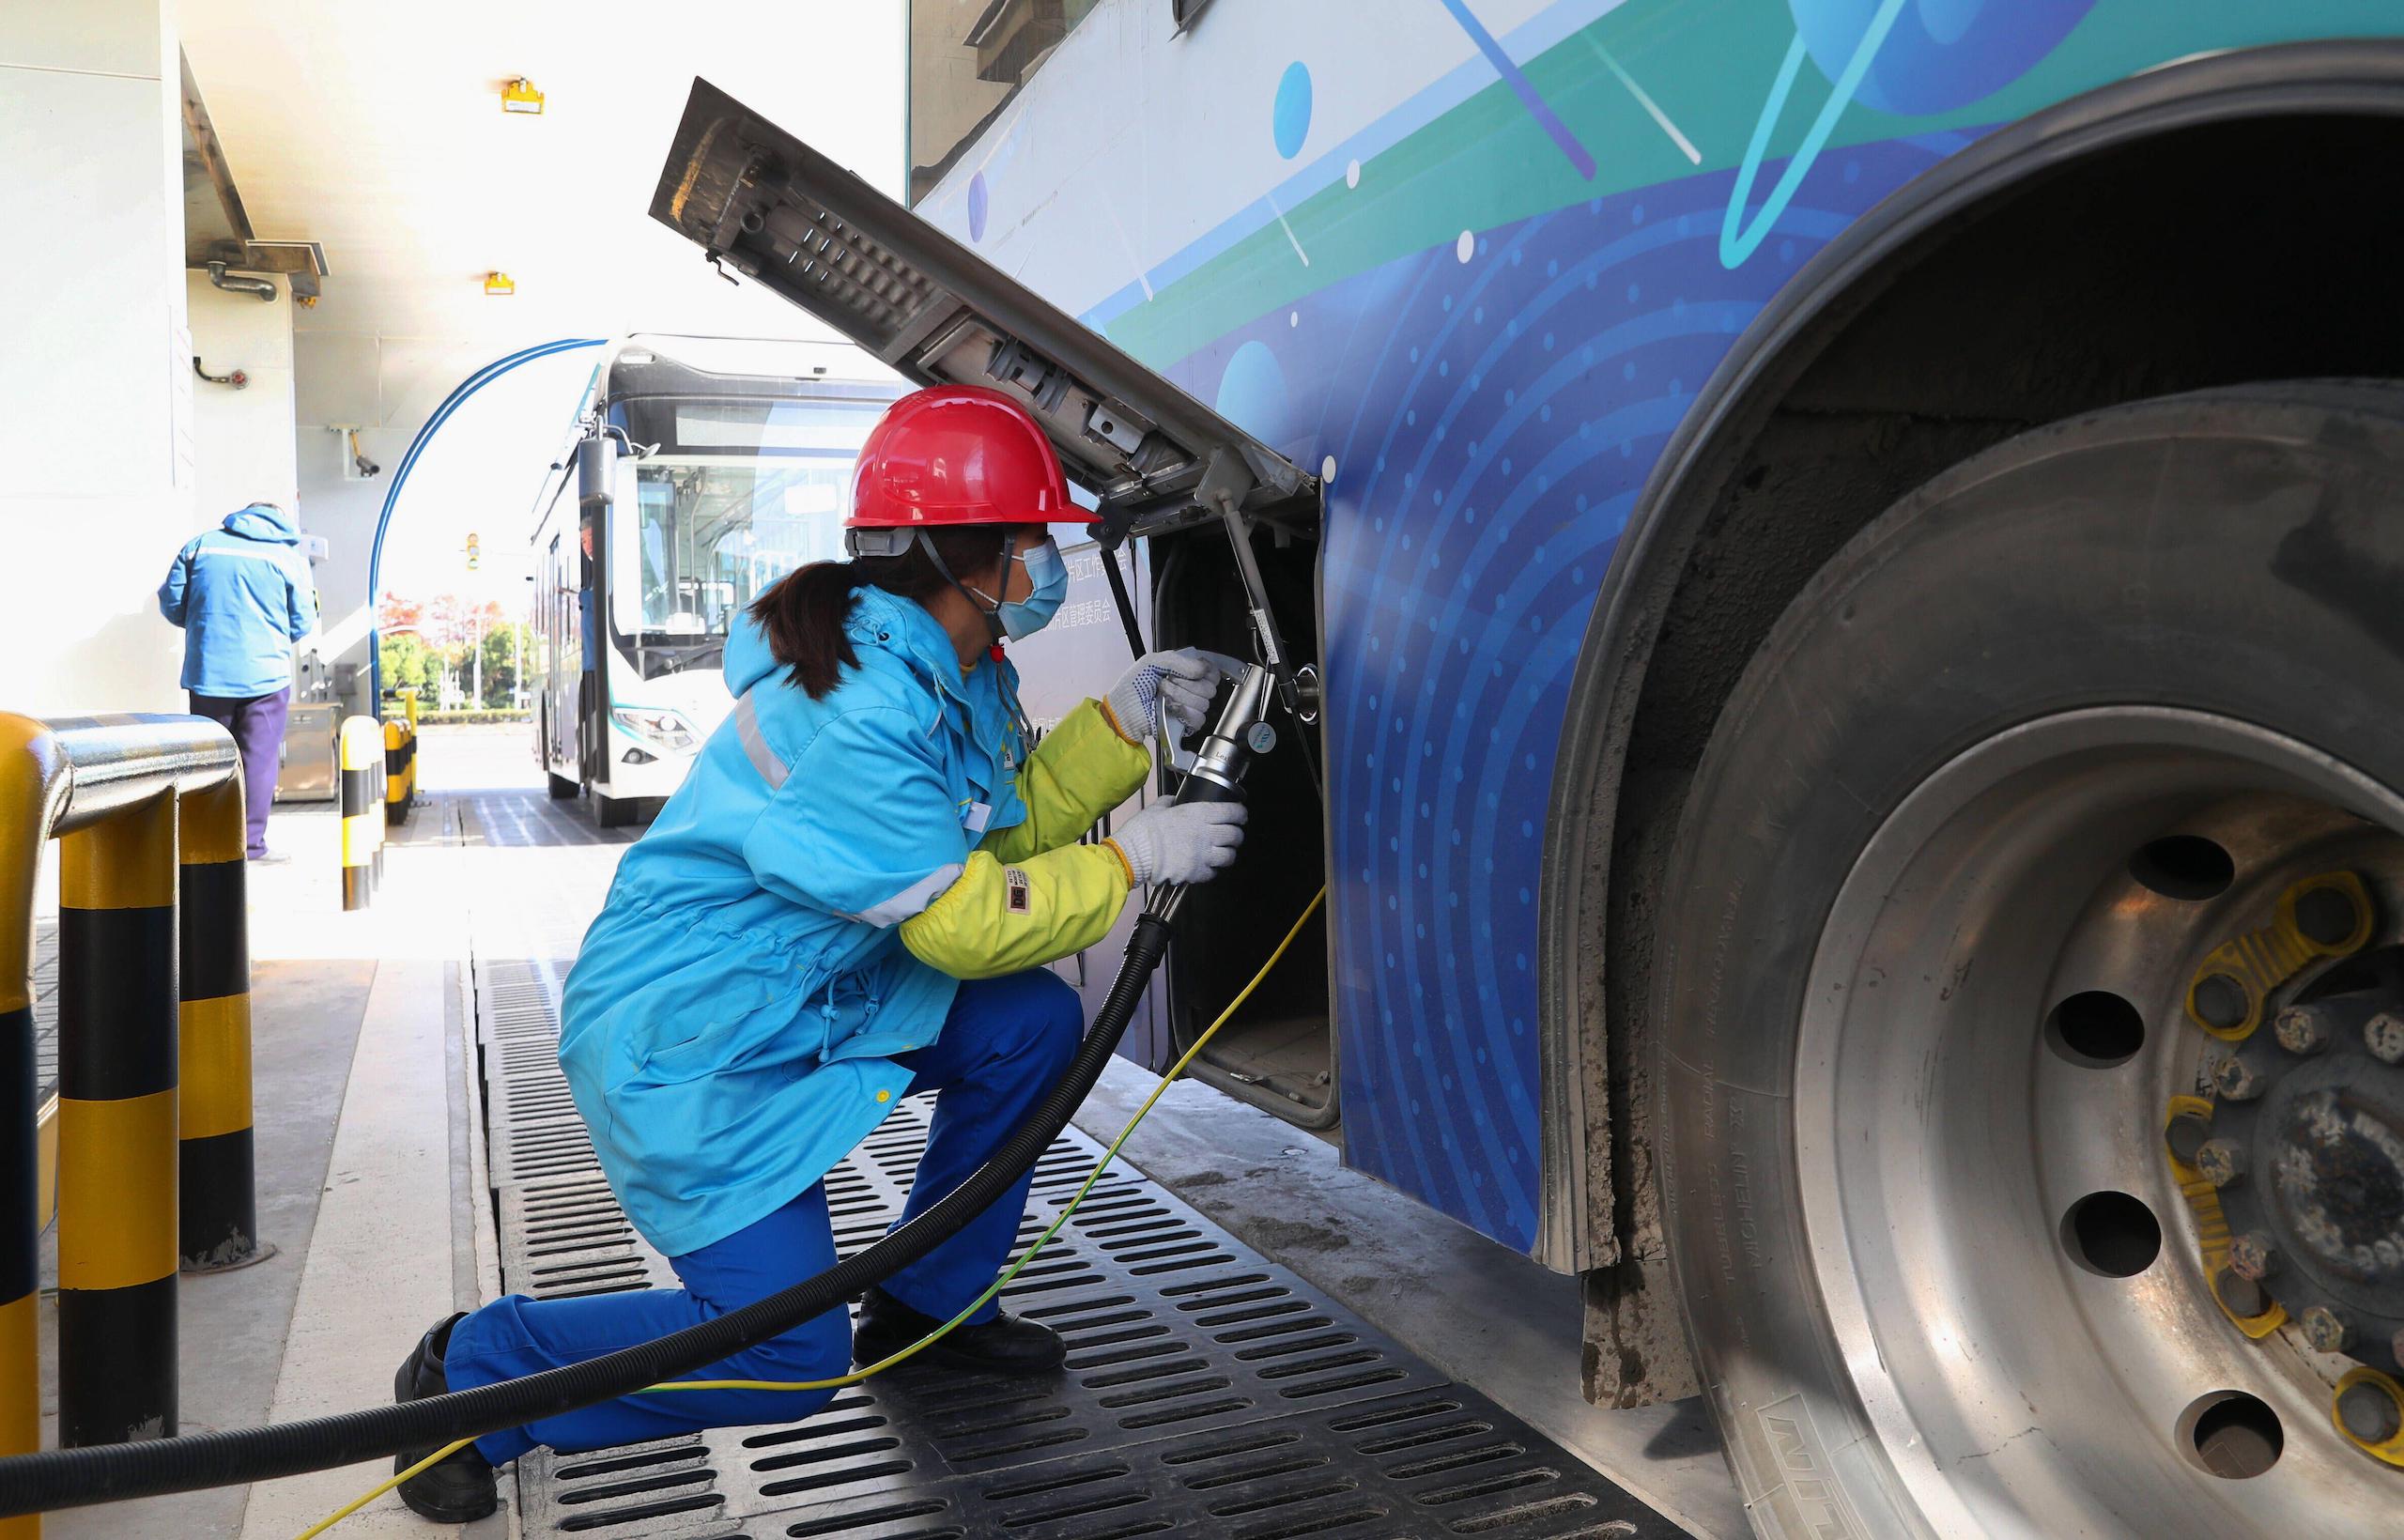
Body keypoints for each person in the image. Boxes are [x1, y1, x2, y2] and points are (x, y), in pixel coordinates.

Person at [389, 385, 1247, 1522]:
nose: (1045, 560)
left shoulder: (952, 669)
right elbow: (958, 920)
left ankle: (928, 1302)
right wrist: (1133, 861)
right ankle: (479, 1370)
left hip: (811, 997)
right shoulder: (862, 709)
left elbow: (987, 833)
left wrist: (1121, 723)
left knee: (1028, 1024)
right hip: (696, 1045)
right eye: (1031, 536)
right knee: (788, 1357)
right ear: (962, 552)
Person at [157, 500, 319, 862]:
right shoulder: (286, 556)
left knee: (210, 760)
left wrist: (205, 627)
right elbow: (302, 621)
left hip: (209, 671)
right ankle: (249, 845)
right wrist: (273, 637)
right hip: (267, 676)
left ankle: (204, 843)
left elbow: (172, 604)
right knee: (258, 760)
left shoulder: (202, 546)